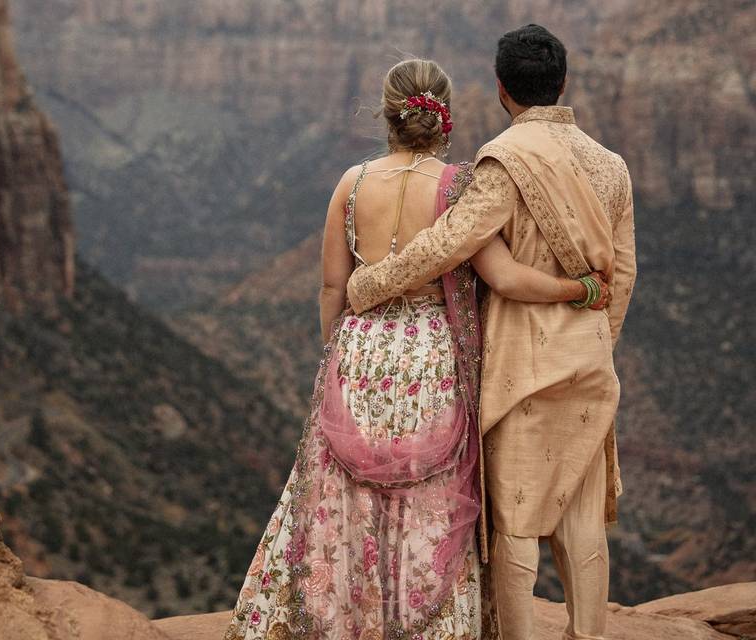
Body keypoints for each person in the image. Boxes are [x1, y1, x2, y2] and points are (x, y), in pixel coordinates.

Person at [223, 56, 610, 640]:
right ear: (445, 117)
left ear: (388, 112)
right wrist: (578, 290)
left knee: (347, 495)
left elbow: (333, 285)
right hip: (431, 354)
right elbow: (503, 278)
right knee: (427, 498)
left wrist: (337, 354)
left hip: (360, 351)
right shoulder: (459, 187)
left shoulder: (350, 184)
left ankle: (344, 617)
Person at [345, 26, 637, 640]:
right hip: (588, 358)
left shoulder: (505, 160)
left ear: (502, 89)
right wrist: (596, 340)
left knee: (518, 520)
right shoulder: (612, 166)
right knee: (582, 518)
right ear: (563, 83)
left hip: (523, 369)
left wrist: (369, 285)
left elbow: (450, 243)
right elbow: (625, 272)